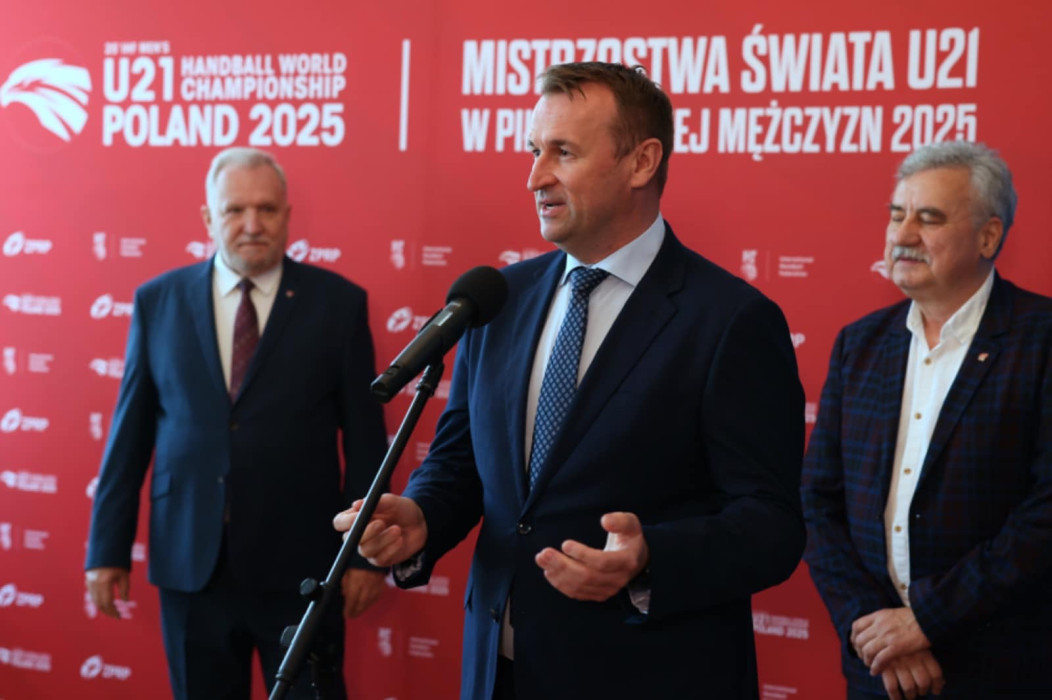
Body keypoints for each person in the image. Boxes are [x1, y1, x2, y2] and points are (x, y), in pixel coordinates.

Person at [334, 62, 805, 700]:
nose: (535, 177)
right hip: (498, 674)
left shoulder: (729, 320)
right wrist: (420, 516)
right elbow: (460, 465)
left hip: (648, 678)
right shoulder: (499, 299)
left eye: (563, 152)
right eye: (535, 151)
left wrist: (649, 557)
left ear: (642, 162)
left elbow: (771, 525)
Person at [84, 147, 389, 699]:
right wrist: (107, 549)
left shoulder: (338, 305)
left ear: (287, 216)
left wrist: (365, 556)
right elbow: (130, 435)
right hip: (190, 565)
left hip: (303, 568)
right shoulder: (158, 301)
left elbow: (367, 441)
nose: (252, 225)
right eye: (235, 210)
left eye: (267, 209)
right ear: (208, 217)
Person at [801, 141, 1052, 699]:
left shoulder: (1041, 340)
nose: (903, 234)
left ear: (988, 236)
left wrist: (925, 621)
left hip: (1000, 670)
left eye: (929, 218)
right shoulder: (860, 344)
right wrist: (872, 626)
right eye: (897, 215)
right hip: (878, 670)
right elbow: (818, 502)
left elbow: (1045, 516)